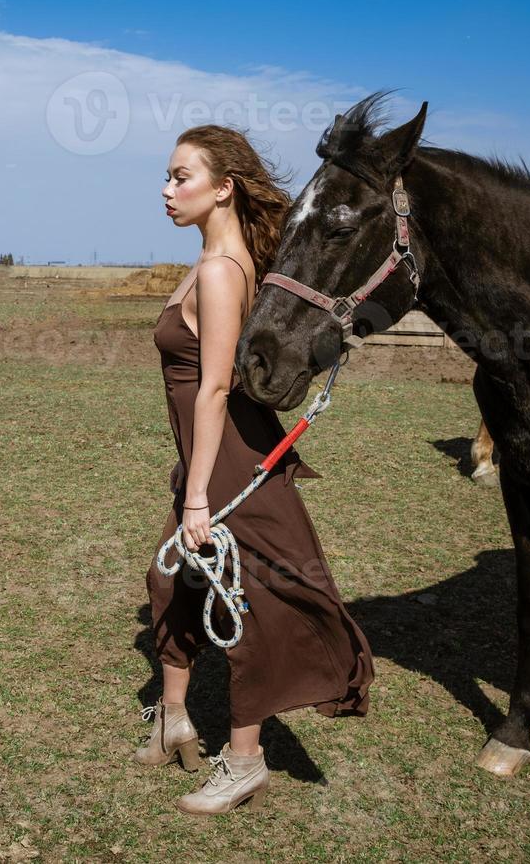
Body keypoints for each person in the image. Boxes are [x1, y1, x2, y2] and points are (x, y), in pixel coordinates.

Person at [137, 124, 375, 816]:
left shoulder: (219, 270)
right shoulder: (217, 258)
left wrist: (198, 498)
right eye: (168, 175)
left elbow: (213, 388)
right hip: (208, 459)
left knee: (255, 605)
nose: (167, 188)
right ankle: (175, 715)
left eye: (182, 176)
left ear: (223, 188)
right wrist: (191, 479)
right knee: (170, 578)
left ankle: (244, 761)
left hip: (234, 461)